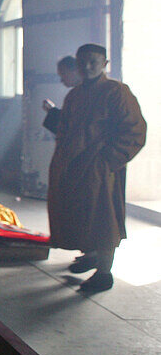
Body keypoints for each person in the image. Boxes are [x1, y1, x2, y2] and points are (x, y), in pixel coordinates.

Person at [47, 44, 147, 292]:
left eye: (93, 62)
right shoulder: (74, 95)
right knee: (81, 214)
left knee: (103, 219)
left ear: (105, 63)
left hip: (101, 169)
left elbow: (135, 131)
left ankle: (104, 273)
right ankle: (90, 255)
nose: (87, 67)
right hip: (73, 166)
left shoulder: (117, 92)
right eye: (83, 62)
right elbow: (65, 130)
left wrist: (109, 161)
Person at [41, 55, 83, 133]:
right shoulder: (76, 93)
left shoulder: (83, 94)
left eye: (63, 74)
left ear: (74, 71)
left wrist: (52, 112)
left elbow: (72, 126)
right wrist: (52, 111)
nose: (61, 80)